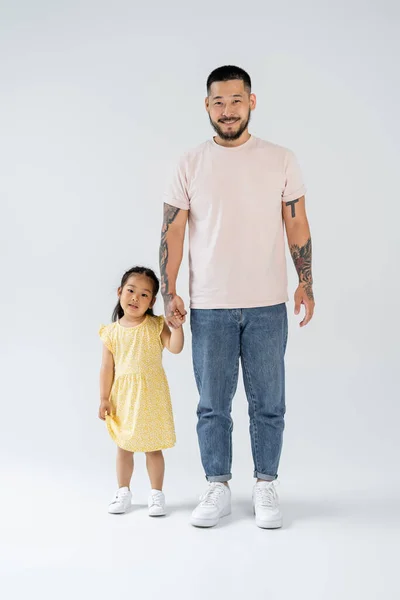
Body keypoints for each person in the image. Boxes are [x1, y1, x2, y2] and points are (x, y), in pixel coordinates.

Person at [159, 65, 315, 529]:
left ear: (252, 101)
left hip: (267, 302)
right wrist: (169, 294)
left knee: (269, 401)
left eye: (236, 100)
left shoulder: (280, 158)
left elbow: (297, 223)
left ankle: (265, 483)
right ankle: (218, 485)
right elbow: (172, 232)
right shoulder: (190, 162)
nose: (228, 111)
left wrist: (306, 279)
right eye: (219, 102)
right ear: (207, 107)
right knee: (212, 403)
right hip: (209, 304)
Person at [98, 266, 184, 515]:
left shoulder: (156, 325)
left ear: (153, 301)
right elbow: (106, 368)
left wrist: (176, 327)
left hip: (151, 397)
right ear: (120, 292)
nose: (136, 298)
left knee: (152, 448)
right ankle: (123, 490)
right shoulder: (111, 332)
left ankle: (156, 494)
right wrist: (104, 398)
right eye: (131, 290)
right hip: (123, 398)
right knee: (124, 446)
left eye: (144, 294)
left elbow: (175, 348)